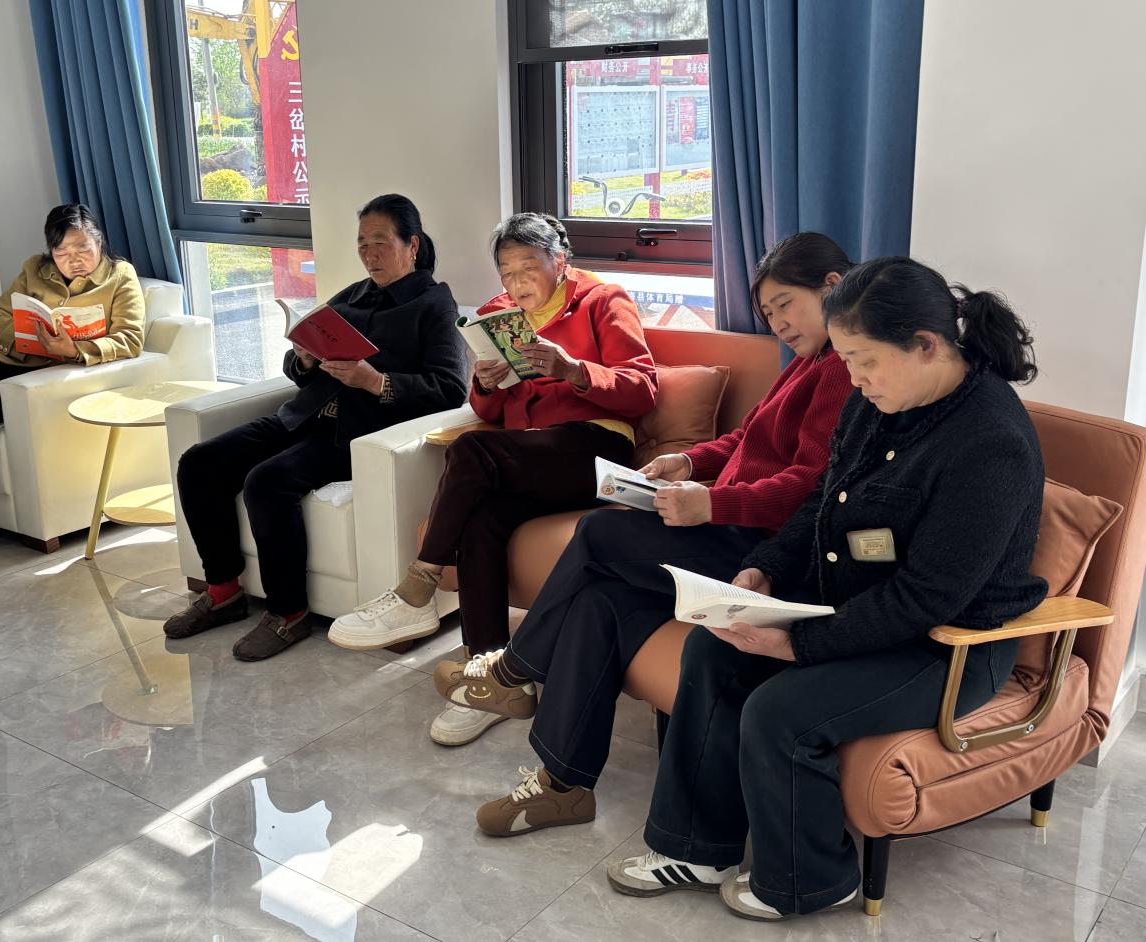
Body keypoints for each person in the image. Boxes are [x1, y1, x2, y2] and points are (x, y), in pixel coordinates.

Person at [606, 256, 1047, 922]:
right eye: (845, 360)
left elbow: (926, 598)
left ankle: (811, 880)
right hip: (855, 608)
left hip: (946, 647)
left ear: (925, 346)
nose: (854, 378)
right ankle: (696, 849)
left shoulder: (989, 442)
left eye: (864, 361)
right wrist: (765, 569)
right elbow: (822, 500)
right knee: (713, 650)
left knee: (781, 710)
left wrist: (798, 644)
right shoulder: (876, 402)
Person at [431, 232, 858, 826]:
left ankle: (514, 669)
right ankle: (563, 785)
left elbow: (810, 486)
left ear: (833, 287)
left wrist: (711, 503)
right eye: (768, 313)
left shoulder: (843, 369)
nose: (778, 324)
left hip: (763, 550)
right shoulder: (807, 363)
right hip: (733, 524)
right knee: (599, 602)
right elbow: (746, 439)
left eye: (786, 304)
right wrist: (688, 461)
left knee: (599, 534)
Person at [327, 212, 660, 745]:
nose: (517, 282)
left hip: (595, 449)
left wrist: (572, 369)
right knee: (481, 519)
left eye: (529, 267)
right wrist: (485, 382)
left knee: (473, 448)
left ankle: (418, 587)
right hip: (529, 456)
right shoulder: (496, 316)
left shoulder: (602, 300)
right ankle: (494, 681)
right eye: (507, 271)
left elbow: (643, 389)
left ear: (559, 261)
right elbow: (486, 409)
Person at [163, 194, 468, 661]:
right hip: (303, 415)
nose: (369, 255)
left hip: (359, 433)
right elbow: (301, 364)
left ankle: (288, 614)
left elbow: (450, 389)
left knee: (267, 481)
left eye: (380, 243)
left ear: (412, 244)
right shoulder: (353, 294)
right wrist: (303, 359)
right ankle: (223, 592)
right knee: (201, 462)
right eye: (362, 244)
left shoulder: (434, 305)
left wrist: (377, 382)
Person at [0, 204, 146, 561]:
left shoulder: (120, 276)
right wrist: (26, 339)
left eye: (82, 248)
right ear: (51, 252)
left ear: (99, 242)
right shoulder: (34, 269)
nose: (74, 260)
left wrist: (75, 349)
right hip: (18, 357)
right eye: (62, 252)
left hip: (60, 369)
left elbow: (130, 338)